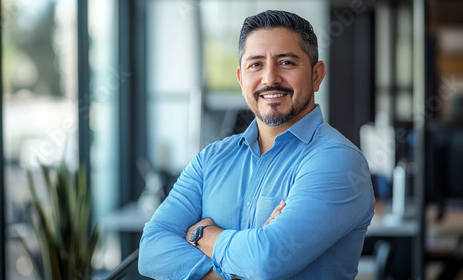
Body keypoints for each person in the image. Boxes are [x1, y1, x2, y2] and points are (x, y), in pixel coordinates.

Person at [139, 10, 375, 280]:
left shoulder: (339, 162)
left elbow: (268, 260)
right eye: (256, 65)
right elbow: (150, 251)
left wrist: (202, 234)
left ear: (316, 75)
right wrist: (237, 270)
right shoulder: (211, 159)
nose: (270, 78)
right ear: (241, 80)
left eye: (286, 63)